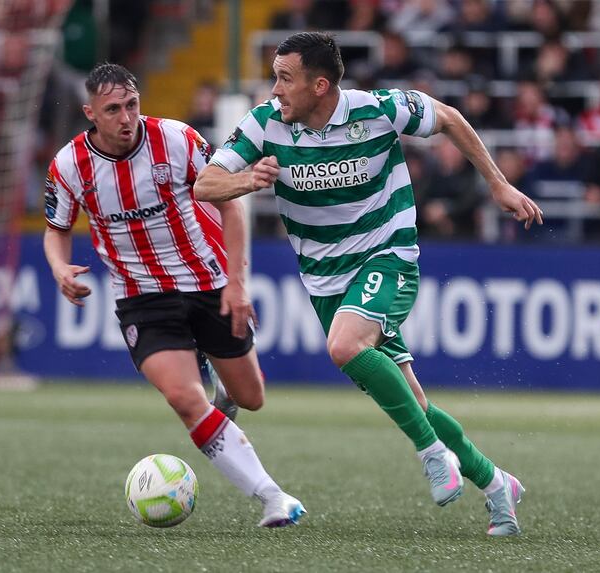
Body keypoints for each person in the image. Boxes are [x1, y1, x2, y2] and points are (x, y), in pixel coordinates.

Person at [194, 32, 543, 537]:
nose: (275, 89)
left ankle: (432, 454)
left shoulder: (377, 110)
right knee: (415, 404)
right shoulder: (265, 123)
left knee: (344, 346)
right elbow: (205, 183)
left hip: (387, 256)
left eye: (285, 78)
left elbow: (448, 117)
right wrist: (249, 180)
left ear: (319, 85)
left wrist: (497, 183)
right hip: (325, 282)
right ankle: (496, 484)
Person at [42, 63, 305, 528]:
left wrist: (237, 283)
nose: (126, 118)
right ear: (91, 113)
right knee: (185, 399)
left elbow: (230, 208)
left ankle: (221, 381)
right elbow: (56, 229)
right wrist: (60, 267)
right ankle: (273, 497)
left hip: (207, 283)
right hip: (142, 297)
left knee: (251, 397)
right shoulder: (68, 165)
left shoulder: (177, 139)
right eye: (113, 109)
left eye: (132, 105)